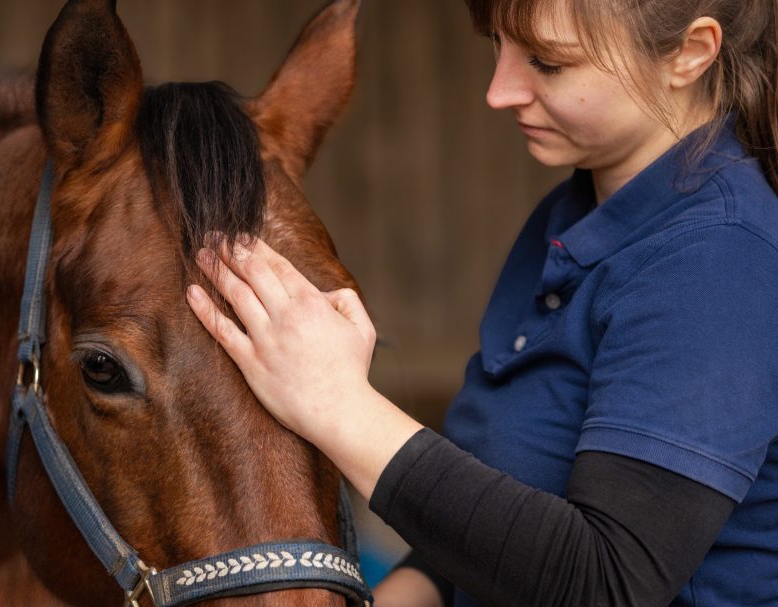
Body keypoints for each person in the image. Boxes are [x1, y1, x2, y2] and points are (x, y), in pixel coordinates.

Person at [185, 0, 778, 605]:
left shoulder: (718, 257)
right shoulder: (573, 216)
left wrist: (339, 407)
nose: (498, 92)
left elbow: (606, 583)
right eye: (499, 45)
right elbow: (493, 525)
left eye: (548, 63)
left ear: (690, 53)